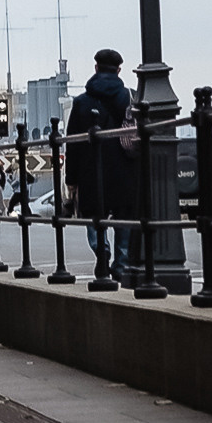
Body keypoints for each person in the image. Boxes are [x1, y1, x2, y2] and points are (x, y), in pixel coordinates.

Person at [64, 51, 135, 276]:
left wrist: (71, 180)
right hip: (123, 169)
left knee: (95, 215)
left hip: (91, 170)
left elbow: (72, 144)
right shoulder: (129, 98)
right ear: (118, 71)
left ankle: (102, 252)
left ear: (96, 69)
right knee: (123, 216)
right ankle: (121, 262)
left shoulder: (82, 102)